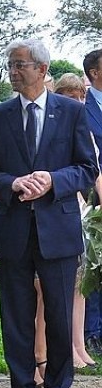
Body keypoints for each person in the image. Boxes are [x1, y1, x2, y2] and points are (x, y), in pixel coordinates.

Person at [0, 38, 97, 388]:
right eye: (10, 64)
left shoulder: (71, 112)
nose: (13, 71)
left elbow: (86, 169)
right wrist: (12, 184)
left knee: (60, 315)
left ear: (42, 70)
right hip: (13, 230)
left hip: (57, 231)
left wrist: (53, 180)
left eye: (20, 65)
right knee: (16, 316)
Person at [51, 73, 97, 369]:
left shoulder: (83, 128)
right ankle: (64, 346)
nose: (78, 102)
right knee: (62, 285)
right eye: (71, 97)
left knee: (81, 284)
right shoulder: (54, 129)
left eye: (81, 96)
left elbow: (92, 169)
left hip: (83, 210)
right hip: (60, 212)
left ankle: (79, 346)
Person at [81, 48, 102, 358]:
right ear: (95, 73)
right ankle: (93, 331)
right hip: (97, 198)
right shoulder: (82, 111)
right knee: (97, 264)